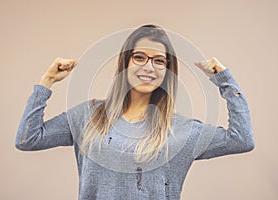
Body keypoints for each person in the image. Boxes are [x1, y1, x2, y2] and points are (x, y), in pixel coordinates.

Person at [15, 24, 255, 200]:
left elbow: (241, 140)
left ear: (167, 71)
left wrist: (224, 80)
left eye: (159, 61)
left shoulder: (181, 130)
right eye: (139, 57)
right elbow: (28, 139)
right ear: (125, 63)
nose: (148, 67)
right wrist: (46, 82)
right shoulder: (87, 115)